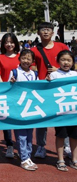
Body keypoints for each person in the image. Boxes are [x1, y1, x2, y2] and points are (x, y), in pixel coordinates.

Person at [32, 22, 69, 160]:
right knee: (42, 119)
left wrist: (57, 70)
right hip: (43, 90)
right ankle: (41, 146)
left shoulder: (62, 47)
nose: (46, 32)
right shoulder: (34, 50)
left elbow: (70, 64)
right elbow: (31, 67)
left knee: (64, 118)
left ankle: (67, 146)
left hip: (61, 89)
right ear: (38, 33)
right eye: (43, 30)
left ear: (53, 32)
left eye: (48, 30)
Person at [0, 33, 21, 159]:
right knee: (7, 120)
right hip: (5, 92)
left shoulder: (21, 57)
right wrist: (3, 86)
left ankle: (21, 146)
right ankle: (9, 145)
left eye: (11, 42)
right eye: (6, 42)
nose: (9, 45)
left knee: (20, 119)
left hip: (19, 93)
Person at [8, 49, 39, 171]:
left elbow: (38, 88)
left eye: (29, 59)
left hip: (30, 108)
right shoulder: (15, 72)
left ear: (33, 61)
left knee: (29, 134)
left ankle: (28, 156)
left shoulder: (34, 74)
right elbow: (8, 88)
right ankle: (24, 158)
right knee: (21, 135)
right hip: (19, 108)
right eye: (24, 58)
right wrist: (11, 82)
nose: (26, 61)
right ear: (19, 59)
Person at [47, 50, 77, 171]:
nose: (66, 63)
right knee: (60, 136)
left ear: (73, 62)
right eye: (63, 60)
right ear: (58, 61)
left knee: (74, 137)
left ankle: (74, 159)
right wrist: (47, 81)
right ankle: (60, 159)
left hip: (74, 113)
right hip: (60, 112)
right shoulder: (54, 75)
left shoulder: (75, 74)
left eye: (69, 60)